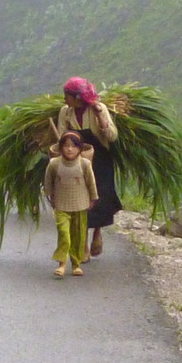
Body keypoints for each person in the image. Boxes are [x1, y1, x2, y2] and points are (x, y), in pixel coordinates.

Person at [57, 77, 121, 260]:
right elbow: (62, 136)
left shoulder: (98, 109)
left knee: (99, 198)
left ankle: (97, 234)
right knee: (80, 200)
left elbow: (112, 136)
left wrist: (101, 117)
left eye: (67, 96)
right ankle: (83, 242)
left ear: (78, 97)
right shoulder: (65, 112)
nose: (64, 100)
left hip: (100, 159)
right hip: (77, 160)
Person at [44, 131, 98, 277]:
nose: (69, 149)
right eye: (66, 146)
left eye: (74, 146)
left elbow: (91, 182)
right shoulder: (54, 164)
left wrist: (93, 198)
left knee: (78, 236)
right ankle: (62, 264)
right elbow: (48, 182)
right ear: (60, 148)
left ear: (80, 149)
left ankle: (76, 264)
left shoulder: (84, 164)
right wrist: (50, 197)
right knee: (64, 234)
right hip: (61, 205)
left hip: (80, 205)